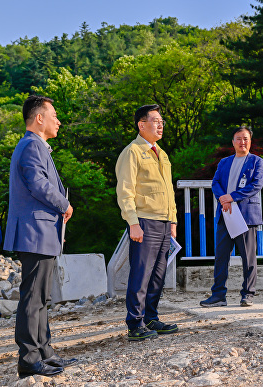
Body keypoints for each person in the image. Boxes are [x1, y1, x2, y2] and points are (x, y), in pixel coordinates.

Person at [4, 95, 76, 378]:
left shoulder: (36, 146)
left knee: (41, 296)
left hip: (42, 231)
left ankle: (45, 352)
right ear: (39, 118)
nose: (58, 120)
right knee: (33, 298)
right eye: (54, 114)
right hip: (35, 231)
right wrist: (64, 204)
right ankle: (29, 359)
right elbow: (37, 183)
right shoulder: (32, 145)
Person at [116, 104, 179, 342]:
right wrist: (133, 222)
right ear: (141, 125)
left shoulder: (161, 153)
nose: (160, 125)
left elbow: (169, 191)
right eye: (155, 121)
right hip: (144, 220)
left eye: (162, 121)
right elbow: (125, 191)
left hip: (163, 222)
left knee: (158, 274)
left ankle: (151, 317)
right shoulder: (132, 152)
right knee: (141, 274)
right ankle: (135, 323)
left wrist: (172, 220)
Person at [200, 126, 263, 308]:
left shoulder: (257, 162)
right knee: (221, 257)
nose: (242, 142)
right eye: (238, 138)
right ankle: (218, 295)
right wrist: (224, 198)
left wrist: (232, 197)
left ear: (250, 141)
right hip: (226, 213)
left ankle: (248, 294)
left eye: (245, 139)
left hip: (246, 216)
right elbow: (216, 182)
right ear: (233, 142)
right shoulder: (224, 162)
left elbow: (255, 185)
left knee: (248, 258)